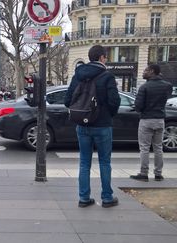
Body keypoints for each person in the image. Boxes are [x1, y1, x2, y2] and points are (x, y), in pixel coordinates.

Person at [64, 45, 121, 208]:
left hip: (82, 124)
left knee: (84, 162)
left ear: (90, 58)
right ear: (102, 58)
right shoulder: (107, 76)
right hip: (102, 125)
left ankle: (83, 198)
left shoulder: (78, 75)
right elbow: (114, 101)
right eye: (106, 57)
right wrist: (107, 114)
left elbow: (67, 100)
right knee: (104, 162)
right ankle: (107, 198)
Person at [130, 64, 172, 182]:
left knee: (144, 148)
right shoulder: (167, 86)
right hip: (160, 120)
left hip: (146, 120)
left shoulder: (144, 87)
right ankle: (158, 174)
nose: (144, 72)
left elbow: (138, 107)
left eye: (146, 70)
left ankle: (144, 173)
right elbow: (167, 93)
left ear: (152, 71)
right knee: (158, 148)